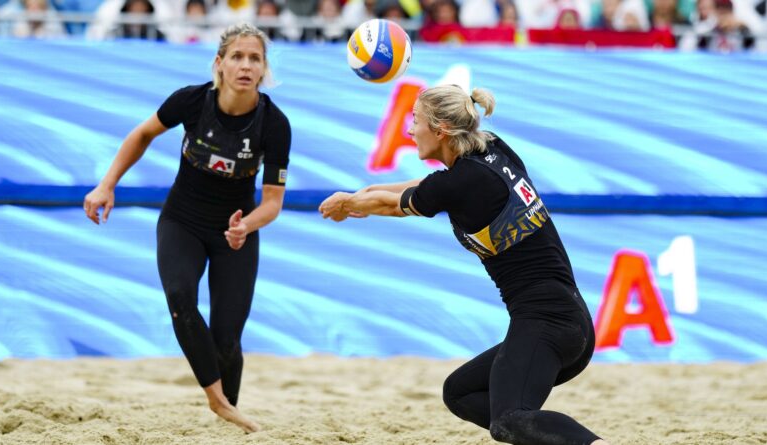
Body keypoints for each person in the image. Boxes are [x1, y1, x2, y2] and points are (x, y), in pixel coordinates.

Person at [319, 85, 609, 445]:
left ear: (439, 129)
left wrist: (349, 204)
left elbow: (393, 204)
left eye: (415, 120)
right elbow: (423, 187)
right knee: (459, 392)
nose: (409, 129)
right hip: (567, 322)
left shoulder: (458, 183)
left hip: (548, 322)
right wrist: (359, 195)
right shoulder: (491, 148)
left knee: (509, 421)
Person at [83, 22, 291, 433]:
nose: (246, 65)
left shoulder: (274, 124)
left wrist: (244, 226)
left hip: (236, 232)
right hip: (183, 220)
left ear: (264, 70)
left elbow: (273, 203)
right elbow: (142, 133)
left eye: (255, 58)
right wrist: (107, 184)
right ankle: (220, 404)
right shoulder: (192, 102)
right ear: (219, 64)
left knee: (227, 340)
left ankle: (228, 414)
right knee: (179, 296)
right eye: (237, 56)